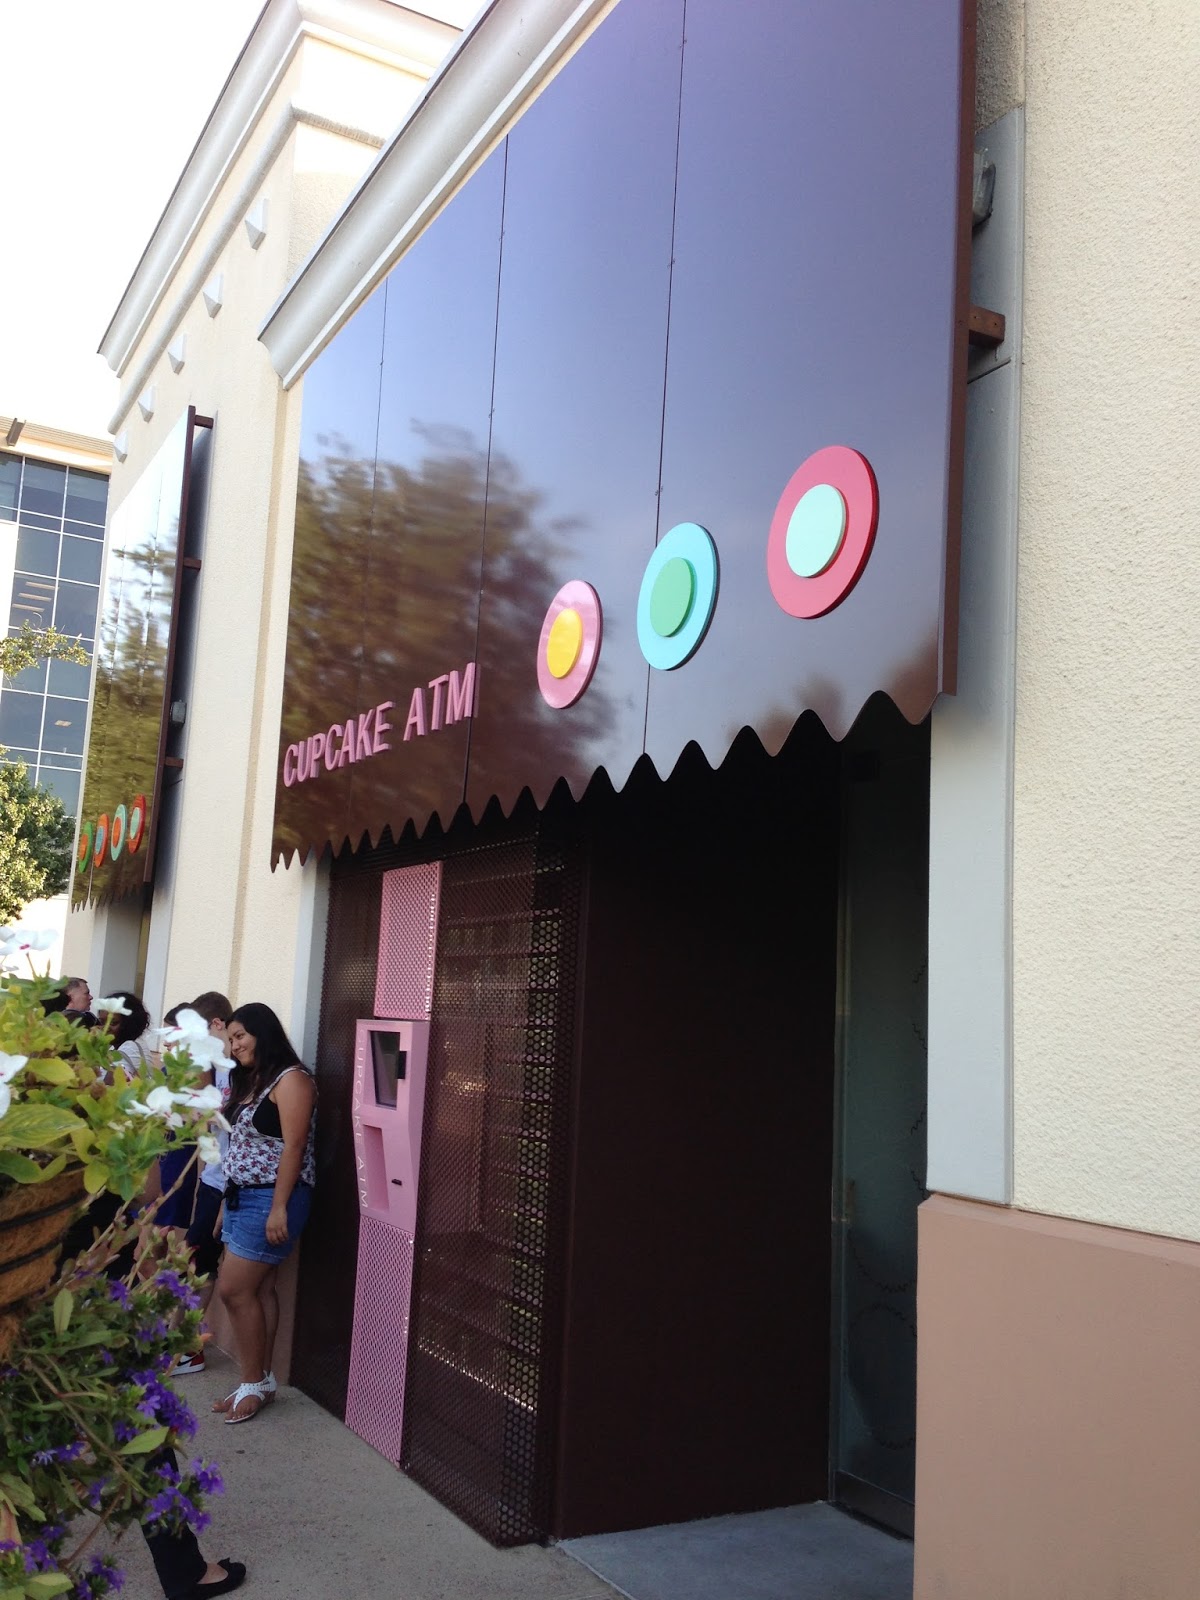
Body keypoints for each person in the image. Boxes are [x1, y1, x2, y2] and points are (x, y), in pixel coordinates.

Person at [213, 1003, 316, 1424]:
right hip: (241, 1197)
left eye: (240, 1036)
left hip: (271, 1200)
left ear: (263, 1033)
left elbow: (294, 1147)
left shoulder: (292, 1081)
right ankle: (260, 1382)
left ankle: (252, 1381)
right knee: (259, 1290)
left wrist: (278, 1208)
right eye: (231, 1039)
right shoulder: (253, 1081)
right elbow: (239, 1147)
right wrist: (224, 1203)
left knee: (233, 1290)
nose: (235, 1046)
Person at [176, 992, 235, 1377]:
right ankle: (185, 1341)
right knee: (196, 1258)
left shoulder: (238, 1068)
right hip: (213, 1179)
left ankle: (188, 1346)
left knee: (198, 1259)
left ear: (216, 1025)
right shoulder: (214, 1066)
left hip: (234, 1182)